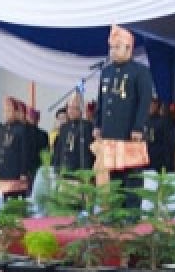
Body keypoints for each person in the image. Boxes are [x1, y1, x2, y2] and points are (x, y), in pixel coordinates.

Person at [94, 25, 154, 198]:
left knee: (131, 174)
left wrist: (138, 127)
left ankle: (132, 215)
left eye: (116, 47)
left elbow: (144, 102)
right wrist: (97, 125)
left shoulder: (140, 72)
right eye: (111, 48)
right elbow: (101, 101)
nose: (112, 51)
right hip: (109, 132)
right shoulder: (106, 72)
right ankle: (114, 213)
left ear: (129, 48)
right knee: (112, 173)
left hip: (129, 133)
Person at [0, 97, 31, 202]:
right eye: (5, 110)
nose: (6, 113)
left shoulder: (22, 128)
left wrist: (23, 172)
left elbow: (25, 151)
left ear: (16, 112)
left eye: (9, 110)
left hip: (16, 173)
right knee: (5, 201)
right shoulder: (2, 128)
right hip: (4, 172)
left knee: (16, 203)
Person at [52, 91, 94, 173]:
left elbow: (88, 153)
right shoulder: (64, 127)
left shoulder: (87, 126)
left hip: (79, 172)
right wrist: (56, 169)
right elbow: (58, 151)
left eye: (74, 108)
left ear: (81, 110)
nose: (70, 111)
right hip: (63, 172)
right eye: (69, 108)